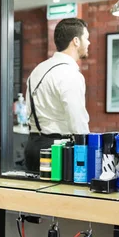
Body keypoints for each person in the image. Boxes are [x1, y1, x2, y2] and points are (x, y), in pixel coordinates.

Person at [24, 17, 91, 172]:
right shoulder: (70, 74)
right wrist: (90, 150)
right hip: (58, 151)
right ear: (76, 41)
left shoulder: (38, 70)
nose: (88, 43)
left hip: (32, 146)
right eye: (86, 38)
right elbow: (77, 121)